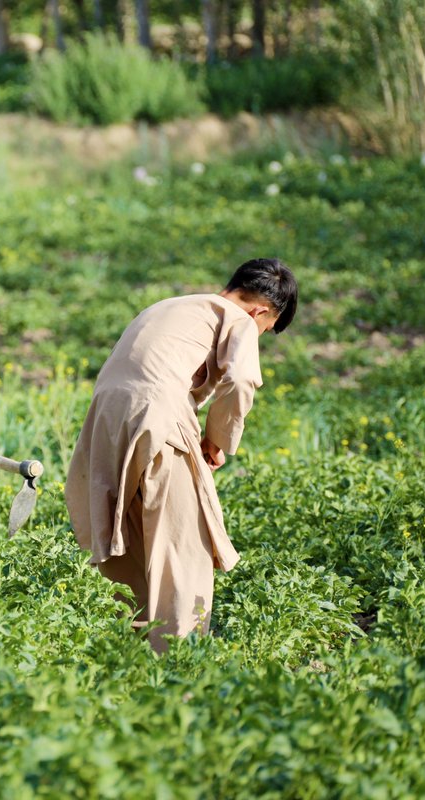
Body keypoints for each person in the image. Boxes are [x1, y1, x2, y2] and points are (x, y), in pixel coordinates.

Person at [65, 258, 298, 653]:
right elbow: (241, 379)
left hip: (104, 421)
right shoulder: (238, 319)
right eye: (266, 329)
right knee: (184, 542)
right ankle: (179, 657)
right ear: (260, 312)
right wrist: (217, 439)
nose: (258, 334)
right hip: (158, 417)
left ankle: (128, 646)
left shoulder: (171, 305)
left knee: (127, 537)